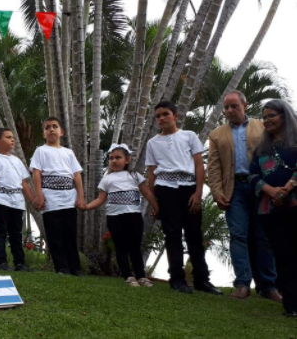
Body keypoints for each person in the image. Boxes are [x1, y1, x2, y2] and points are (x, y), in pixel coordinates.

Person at [207, 91, 279, 301]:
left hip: (262, 188)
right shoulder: (216, 134)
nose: (230, 110)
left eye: (234, 106)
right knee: (237, 235)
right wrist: (217, 192)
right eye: (227, 107)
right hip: (234, 190)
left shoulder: (262, 126)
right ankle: (242, 285)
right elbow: (213, 167)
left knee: (264, 236)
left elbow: (274, 154)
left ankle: (269, 286)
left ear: (244, 106)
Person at [145, 101, 221, 295]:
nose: (161, 118)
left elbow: (198, 165)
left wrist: (198, 193)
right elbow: (151, 173)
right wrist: (154, 202)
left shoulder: (189, 136)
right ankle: (177, 279)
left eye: (165, 114)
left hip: (188, 189)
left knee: (194, 235)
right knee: (172, 235)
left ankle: (202, 280)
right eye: (158, 116)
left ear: (175, 116)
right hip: (165, 190)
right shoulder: (153, 143)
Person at [83, 144, 159, 287]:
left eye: (118, 157)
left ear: (127, 160)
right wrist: (86, 207)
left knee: (135, 247)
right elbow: (100, 199)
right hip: (114, 217)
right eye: (111, 158)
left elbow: (147, 193)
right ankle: (128, 276)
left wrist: (157, 208)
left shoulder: (136, 176)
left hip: (134, 216)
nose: (114, 161)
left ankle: (141, 276)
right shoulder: (107, 179)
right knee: (121, 247)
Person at [249, 99, 297, 317]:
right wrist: (269, 190)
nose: (266, 120)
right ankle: (290, 304)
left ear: (284, 116)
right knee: (282, 255)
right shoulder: (262, 148)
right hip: (271, 210)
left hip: (294, 202)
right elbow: (251, 175)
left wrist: (287, 188)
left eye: (271, 116)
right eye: (264, 116)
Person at [30, 117, 85, 276]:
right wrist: (39, 195)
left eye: (55, 127)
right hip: (50, 198)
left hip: (69, 197)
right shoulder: (41, 150)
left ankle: (75, 268)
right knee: (55, 235)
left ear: (62, 132)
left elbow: (77, 175)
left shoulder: (68, 152)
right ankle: (61, 268)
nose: (51, 129)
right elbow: (37, 173)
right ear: (44, 133)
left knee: (70, 234)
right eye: (47, 127)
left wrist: (80, 197)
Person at [0, 127, 35, 272]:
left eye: (13, 137)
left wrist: (33, 200)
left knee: (16, 233)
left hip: (17, 201)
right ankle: (1, 262)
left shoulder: (17, 161)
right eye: (8, 137)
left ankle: (20, 263)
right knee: (0, 232)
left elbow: (23, 184)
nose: (12, 140)